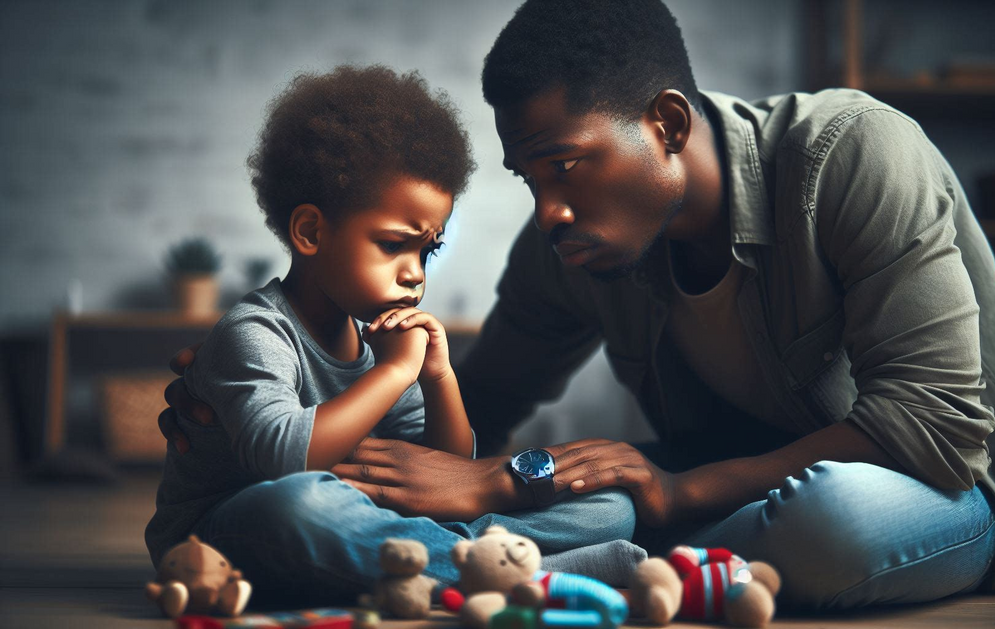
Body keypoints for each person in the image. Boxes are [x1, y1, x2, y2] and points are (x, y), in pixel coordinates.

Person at [162, 0, 995, 610]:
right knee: (594, 496)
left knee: (836, 518)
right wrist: (243, 419)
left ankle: (592, 569)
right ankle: (612, 577)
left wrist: (667, 489)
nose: (547, 206)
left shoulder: (853, 155)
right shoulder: (572, 242)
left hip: (934, 493)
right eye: (528, 176)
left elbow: (935, 425)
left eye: (564, 164)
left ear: (666, 124)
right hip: (704, 506)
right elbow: (480, 409)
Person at [147, 64, 638, 605]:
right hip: (227, 534)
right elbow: (285, 461)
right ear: (311, 232)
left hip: (366, 529)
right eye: (392, 245)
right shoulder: (256, 331)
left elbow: (448, 477)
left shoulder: (383, 342)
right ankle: (505, 569)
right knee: (299, 505)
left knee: (610, 503)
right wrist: (395, 371)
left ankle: (454, 565)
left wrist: (437, 377)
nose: (415, 273)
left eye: (427, 251)